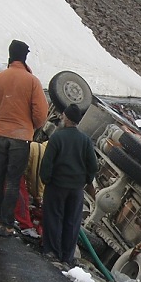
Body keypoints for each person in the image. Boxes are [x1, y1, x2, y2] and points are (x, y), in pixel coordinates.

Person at [0, 40, 48, 237]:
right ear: (24, 57)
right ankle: (7, 224)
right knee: (12, 181)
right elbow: (41, 114)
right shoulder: (32, 81)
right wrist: (29, 126)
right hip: (20, 139)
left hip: (0, 135)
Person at [39, 104, 98, 265]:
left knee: (54, 217)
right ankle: (67, 256)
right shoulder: (85, 140)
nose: (62, 118)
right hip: (76, 189)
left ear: (67, 118)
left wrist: (45, 179)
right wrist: (86, 180)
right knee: (72, 222)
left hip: (57, 186)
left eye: (64, 115)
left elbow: (47, 163)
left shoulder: (57, 137)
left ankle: (52, 251)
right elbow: (93, 165)